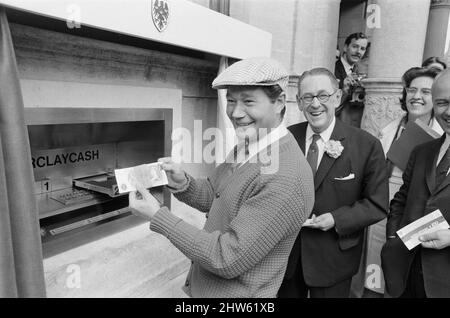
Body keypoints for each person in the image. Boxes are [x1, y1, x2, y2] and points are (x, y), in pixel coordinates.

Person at [128, 57, 315, 298]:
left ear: (279, 102)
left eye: (248, 101)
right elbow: (218, 197)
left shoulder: (287, 177)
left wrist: (158, 217)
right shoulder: (250, 142)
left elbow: (226, 258)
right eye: (231, 101)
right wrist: (182, 182)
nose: (236, 113)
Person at [278, 67, 389, 298]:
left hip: (334, 258)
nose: (315, 104)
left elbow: (377, 205)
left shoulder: (366, 145)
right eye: (307, 97)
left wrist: (336, 219)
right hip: (286, 257)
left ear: (337, 97)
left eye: (323, 95)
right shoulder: (284, 139)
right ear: (298, 102)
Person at [353, 67, 444, 297]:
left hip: (420, 227)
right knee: (374, 274)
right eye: (412, 90)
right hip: (383, 212)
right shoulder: (390, 128)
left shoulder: (440, 136)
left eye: (426, 91)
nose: (417, 96)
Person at [381, 67, 450, 298]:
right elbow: (401, 199)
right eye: (442, 103)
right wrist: (393, 238)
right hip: (407, 272)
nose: (448, 111)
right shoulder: (422, 151)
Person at [334, 33, 369, 127]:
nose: (358, 52)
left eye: (362, 49)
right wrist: (344, 89)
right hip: (338, 125)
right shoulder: (332, 69)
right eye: (355, 46)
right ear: (345, 47)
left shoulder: (362, 72)